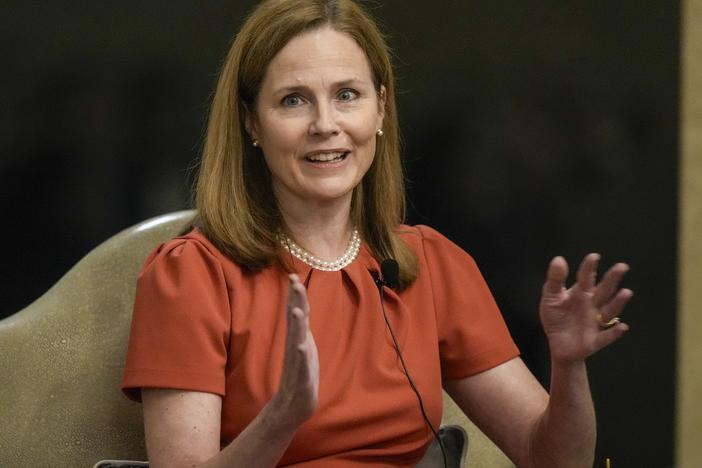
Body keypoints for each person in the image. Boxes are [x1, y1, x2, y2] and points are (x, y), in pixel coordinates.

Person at [121, 0, 633, 467]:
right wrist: (281, 417)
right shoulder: (191, 274)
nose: (326, 124)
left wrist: (568, 369)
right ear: (252, 121)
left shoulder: (429, 263)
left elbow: (555, 461)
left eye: (347, 95)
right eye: (294, 100)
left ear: (380, 108)